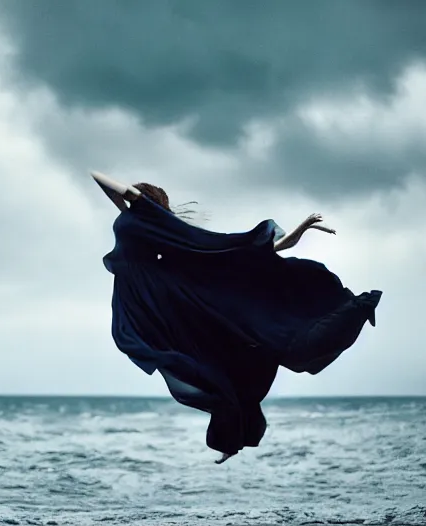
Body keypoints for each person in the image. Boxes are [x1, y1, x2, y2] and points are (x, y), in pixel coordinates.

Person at [92, 171, 382, 464]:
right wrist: (136, 200)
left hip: (165, 297)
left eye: (137, 199)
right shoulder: (138, 222)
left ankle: (230, 434)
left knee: (208, 358)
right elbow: (108, 188)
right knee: (183, 356)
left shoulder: (160, 231)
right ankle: (230, 435)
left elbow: (258, 251)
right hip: (148, 297)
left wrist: (301, 229)